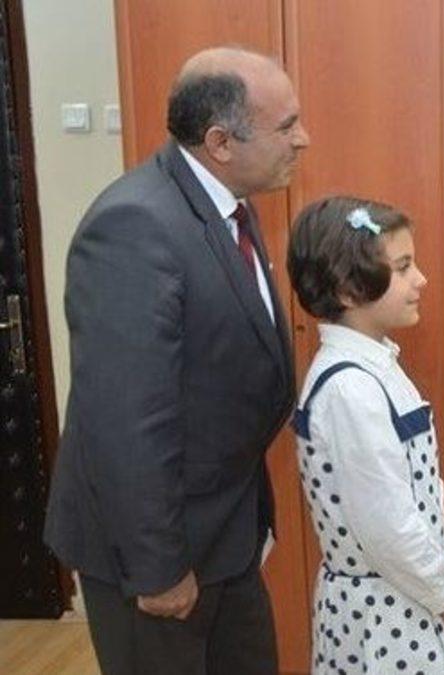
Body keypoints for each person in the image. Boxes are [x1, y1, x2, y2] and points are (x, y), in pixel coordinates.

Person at [43, 47, 309, 674]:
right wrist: (158, 568)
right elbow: (126, 422)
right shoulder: (135, 226)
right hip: (154, 558)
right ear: (220, 142)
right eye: (286, 125)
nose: (303, 139)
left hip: (224, 536)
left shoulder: (228, 206)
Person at [287, 196, 444, 674]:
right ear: (349, 290)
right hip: (383, 614)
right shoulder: (350, 388)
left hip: (410, 593)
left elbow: (423, 493)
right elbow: (385, 523)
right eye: (403, 267)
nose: (421, 279)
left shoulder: (377, 367)